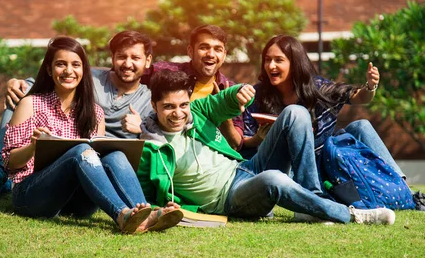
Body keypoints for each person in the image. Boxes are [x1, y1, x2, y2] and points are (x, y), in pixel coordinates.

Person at [136, 69, 396, 225]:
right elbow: (149, 196)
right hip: (229, 200)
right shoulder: (150, 150)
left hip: (244, 169)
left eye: (182, 105)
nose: (179, 113)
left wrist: (240, 91)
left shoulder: (197, 111)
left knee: (294, 112)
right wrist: (176, 211)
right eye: (169, 107)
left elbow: (224, 100)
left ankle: (311, 199)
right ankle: (352, 215)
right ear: (155, 104)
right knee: (274, 178)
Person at [2, 36, 181, 233]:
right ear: (49, 69)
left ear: (83, 70)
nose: (69, 71)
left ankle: (145, 212)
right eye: (61, 64)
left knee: (115, 154)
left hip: (76, 203)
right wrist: (33, 147)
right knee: (80, 150)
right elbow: (10, 163)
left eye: (76, 65)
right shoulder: (31, 104)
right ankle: (122, 215)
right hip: (32, 196)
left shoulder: (95, 112)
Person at [240, 35, 425, 212]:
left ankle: (405, 191)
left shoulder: (317, 88)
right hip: (287, 168)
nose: (271, 66)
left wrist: (371, 86)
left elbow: (358, 97)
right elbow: (246, 145)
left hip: (323, 161)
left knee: (361, 126)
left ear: (295, 63)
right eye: (267, 59)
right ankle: (313, 197)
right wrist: (259, 138)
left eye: (278, 60)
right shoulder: (258, 96)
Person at [0, 31, 155, 200]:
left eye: (135, 58)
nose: (127, 64)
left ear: (147, 60)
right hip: (67, 153)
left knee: (110, 157)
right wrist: (15, 83)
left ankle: (140, 210)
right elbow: (44, 82)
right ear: (112, 58)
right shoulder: (90, 77)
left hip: (104, 161)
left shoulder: (150, 99)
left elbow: (166, 136)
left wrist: (142, 129)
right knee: (20, 96)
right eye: (121, 57)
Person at [140, 24, 244, 150]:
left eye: (218, 49)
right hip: (161, 149)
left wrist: (223, 109)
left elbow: (236, 144)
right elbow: (126, 75)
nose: (211, 54)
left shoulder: (229, 90)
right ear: (190, 51)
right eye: (204, 47)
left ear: (224, 55)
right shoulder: (164, 72)